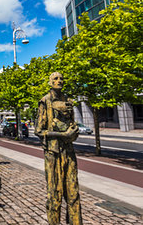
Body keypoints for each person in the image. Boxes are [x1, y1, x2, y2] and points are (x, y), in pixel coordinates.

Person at [35, 72, 82, 225]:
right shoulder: (45, 101)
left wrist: (73, 134)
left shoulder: (69, 101)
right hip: (53, 154)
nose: (59, 81)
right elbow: (39, 130)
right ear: (50, 82)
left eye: (61, 79)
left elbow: (73, 127)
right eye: (55, 79)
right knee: (54, 195)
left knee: (73, 193)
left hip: (69, 152)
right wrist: (63, 135)